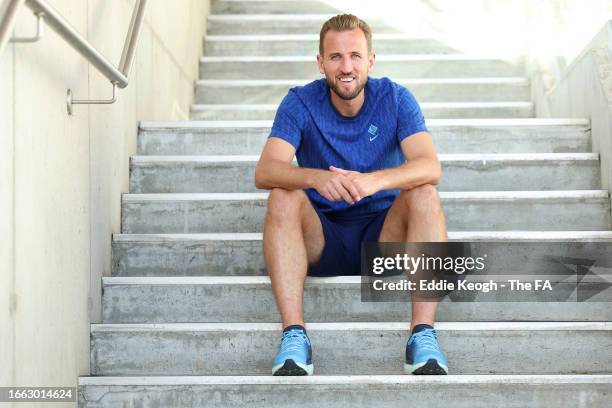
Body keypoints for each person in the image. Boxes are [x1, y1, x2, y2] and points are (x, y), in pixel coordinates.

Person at [254, 14, 448, 376]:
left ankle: (422, 335)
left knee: (425, 194)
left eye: (355, 56)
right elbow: (265, 170)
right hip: (321, 237)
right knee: (282, 195)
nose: (346, 67)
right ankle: (294, 336)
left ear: (370, 61)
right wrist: (313, 178)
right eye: (336, 57)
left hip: (381, 241)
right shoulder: (300, 102)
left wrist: (374, 181)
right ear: (321, 62)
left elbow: (430, 166)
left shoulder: (395, 98)